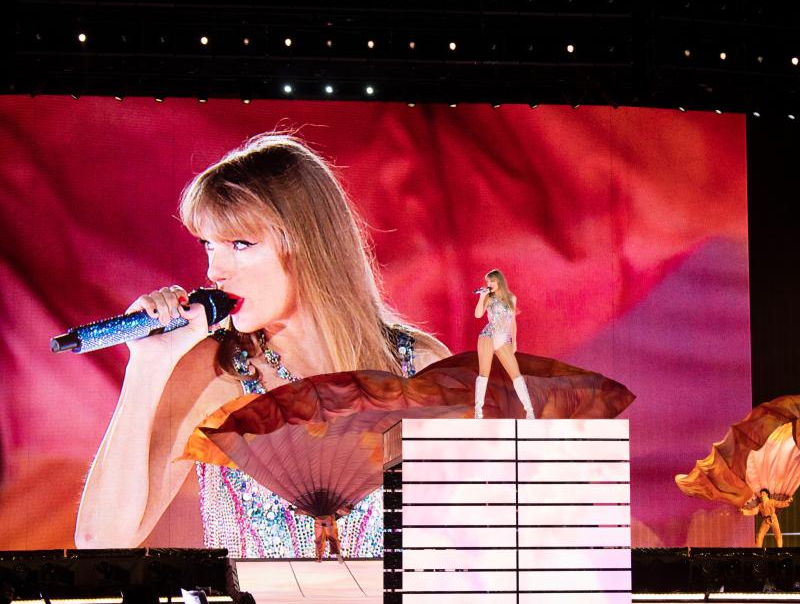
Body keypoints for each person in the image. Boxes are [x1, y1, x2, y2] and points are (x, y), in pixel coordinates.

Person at [75, 133, 450, 557]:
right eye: (209, 245)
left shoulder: (418, 367)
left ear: (308, 244)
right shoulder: (216, 372)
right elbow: (99, 541)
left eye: (240, 244)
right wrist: (146, 366)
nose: (215, 271)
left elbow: (471, 545)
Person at [473, 270, 535, 419]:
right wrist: (482, 298)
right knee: (484, 373)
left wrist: (514, 341)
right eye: (487, 282)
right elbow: (478, 314)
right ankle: (478, 411)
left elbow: (513, 322)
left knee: (516, 375)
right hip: (488, 335)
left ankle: (530, 411)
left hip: (503, 338)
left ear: (499, 281)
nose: (489, 284)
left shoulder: (511, 298)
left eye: (491, 281)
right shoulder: (488, 297)